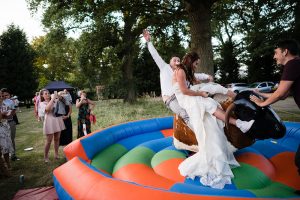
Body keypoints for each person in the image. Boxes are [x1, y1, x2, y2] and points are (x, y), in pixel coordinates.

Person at [172, 52, 254, 189]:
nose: (196, 66)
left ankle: (237, 99)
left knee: (213, 90)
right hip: (186, 99)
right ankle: (238, 122)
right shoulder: (180, 71)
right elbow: (184, 91)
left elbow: (194, 83)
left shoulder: (187, 71)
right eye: (196, 63)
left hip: (192, 93)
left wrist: (204, 85)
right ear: (190, 61)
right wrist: (200, 93)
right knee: (208, 103)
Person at [143, 29, 236, 125]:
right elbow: (155, 55)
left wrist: (207, 76)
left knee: (201, 105)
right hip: (171, 98)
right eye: (174, 60)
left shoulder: (181, 71)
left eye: (178, 60)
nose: (176, 61)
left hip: (183, 96)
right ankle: (194, 131)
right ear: (169, 61)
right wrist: (149, 42)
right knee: (185, 114)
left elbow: (196, 75)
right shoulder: (164, 67)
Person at [250, 39, 300, 188]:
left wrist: (262, 103)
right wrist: (259, 94)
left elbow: (279, 94)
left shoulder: (292, 64)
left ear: (285, 52)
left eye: (276, 52)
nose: (274, 56)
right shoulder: (296, 64)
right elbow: (283, 94)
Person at [40, 89, 65, 162]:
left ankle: (56, 154)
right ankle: (46, 156)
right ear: (42, 95)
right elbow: (47, 109)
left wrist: (59, 97)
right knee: (49, 140)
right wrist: (53, 99)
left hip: (57, 120)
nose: (47, 94)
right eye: (45, 93)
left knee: (57, 138)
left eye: (48, 93)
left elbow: (63, 103)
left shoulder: (55, 100)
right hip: (49, 121)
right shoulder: (42, 103)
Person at [0, 88, 19, 161]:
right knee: (2, 141)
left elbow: (14, 111)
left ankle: (13, 155)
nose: (4, 97)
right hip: (2, 123)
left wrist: (11, 113)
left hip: (10, 122)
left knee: (11, 139)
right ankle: (4, 157)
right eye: (2, 95)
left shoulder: (10, 102)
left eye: (6, 95)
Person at [0, 90, 13, 177]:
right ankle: (3, 168)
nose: (1, 97)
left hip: (5, 125)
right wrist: (2, 114)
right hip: (0, 127)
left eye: (1, 96)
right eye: (0, 96)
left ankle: (8, 164)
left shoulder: (4, 104)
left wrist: (8, 114)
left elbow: (9, 114)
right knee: (2, 146)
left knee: (7, 146)